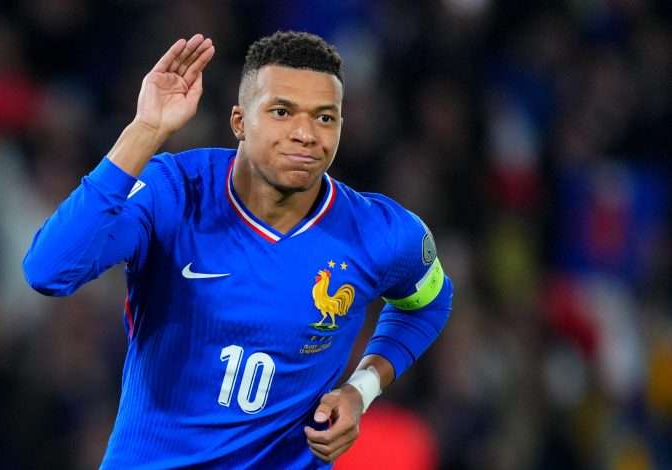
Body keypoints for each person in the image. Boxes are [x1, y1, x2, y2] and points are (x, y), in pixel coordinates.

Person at [23, 31, 453, 469]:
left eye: (325, 118)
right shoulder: (173, 194)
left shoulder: (380, 233)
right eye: (282, 112)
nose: (305, 133)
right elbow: (50, 270)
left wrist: (362, 388)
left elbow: (429, 303)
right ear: (239, 122)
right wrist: (145, 130)